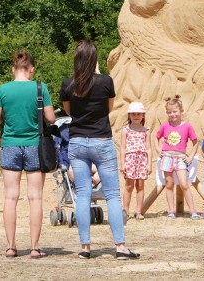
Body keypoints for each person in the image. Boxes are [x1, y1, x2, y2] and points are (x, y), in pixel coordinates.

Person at [60, 39, 139, 260]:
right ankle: (120, 247)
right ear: (94, 59)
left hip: (77, 142)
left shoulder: (68, 84)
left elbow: (71, 112)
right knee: (113, 195)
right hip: (101, 140)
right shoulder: (106, 82)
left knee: (83, 195)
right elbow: (108, 109)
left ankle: (85, 248)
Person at [0, 49, 55, 258]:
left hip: (10, 146)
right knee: (35, 197)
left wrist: (7, 119)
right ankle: (35, 247)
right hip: (35, 145)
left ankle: (11, 246)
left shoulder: (2, 90)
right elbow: (51, 118)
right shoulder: (40, 88)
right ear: (31, 69)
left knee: (10, 197)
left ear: (13, 69)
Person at [155, 95, 200, 219]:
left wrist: (191, 156)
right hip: (167, 157)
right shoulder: (165, 125)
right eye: (169, 112)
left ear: (181, 111)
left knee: (184, 184)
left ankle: (193, 211)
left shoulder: (187, 126)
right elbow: (156, 137)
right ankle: (170, 211)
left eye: (175, 111)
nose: (172, 114)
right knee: (169, 184)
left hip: (180, 158)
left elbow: (196, 141)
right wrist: (158, 149)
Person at [119, 102, 152, 220]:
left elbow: (148, 148)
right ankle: (125, 211)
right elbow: (122, 147)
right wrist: (122, 163)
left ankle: (138, 211)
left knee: (140, 185)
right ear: (129, 115)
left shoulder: (146, 130)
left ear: (143, 115)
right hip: (130, 159)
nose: (136, 116)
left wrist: (149, 164)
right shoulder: (125, 130)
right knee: (129, 186)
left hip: (142, 160)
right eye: (133, 113)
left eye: (139, 113)